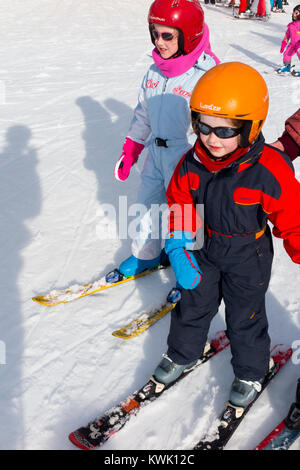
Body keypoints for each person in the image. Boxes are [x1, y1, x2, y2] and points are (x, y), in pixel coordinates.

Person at [151, 62, 300, 409]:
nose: (212, 139)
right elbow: (180, 202)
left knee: (244, 315)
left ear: (251, 127)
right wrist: (177, 241)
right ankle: (181, 352)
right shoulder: (192, 162)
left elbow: (293, 220)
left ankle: (250, 371)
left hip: (249, 255)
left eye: (225, 130)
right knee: (192, 305)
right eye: (202, 126)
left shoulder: (269, 171)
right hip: (203, 247)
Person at [110, 0, 219, 280]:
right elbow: (143, 114)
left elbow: (216, 127)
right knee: (146, 205)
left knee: (187, 214)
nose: (159, 42)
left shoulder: (206, 76)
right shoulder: (155, 72)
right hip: (155, 156)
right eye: (155, 33)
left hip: (188, 159)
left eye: (167, 35)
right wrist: (132, 148)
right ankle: (146, 255)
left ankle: (193, 270)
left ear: (189, 34)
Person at [277, 5, 300, 75]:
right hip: (293, 44)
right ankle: (287, 66)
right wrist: (283, 44)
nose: (294, 14)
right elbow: (287, 36)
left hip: (299, 44)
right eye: (294, 12)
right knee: (287, 54)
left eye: (296, 13)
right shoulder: (291, 25)